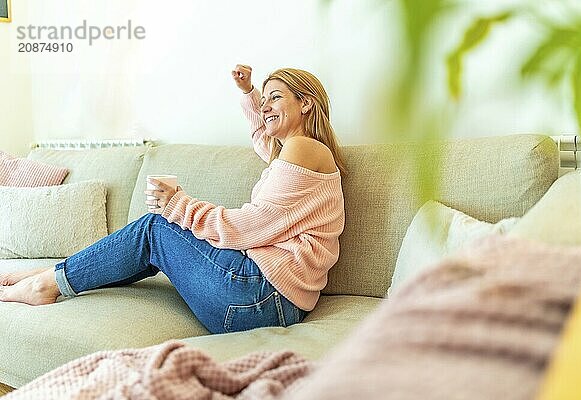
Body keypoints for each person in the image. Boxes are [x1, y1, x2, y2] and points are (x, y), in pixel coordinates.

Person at [0, 65, 347, 334]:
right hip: (278, 302)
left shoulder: (303, 149)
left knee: (155, 228)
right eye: (264, 100)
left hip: (256, 296)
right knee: (149, 245)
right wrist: (249, 94)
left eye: (275, 97)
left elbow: (248, 228)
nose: (265, 106)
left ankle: (46, 284)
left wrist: (177, 204)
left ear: (305, 103)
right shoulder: (301, 154)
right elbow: (264, 140)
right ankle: (56, 273)